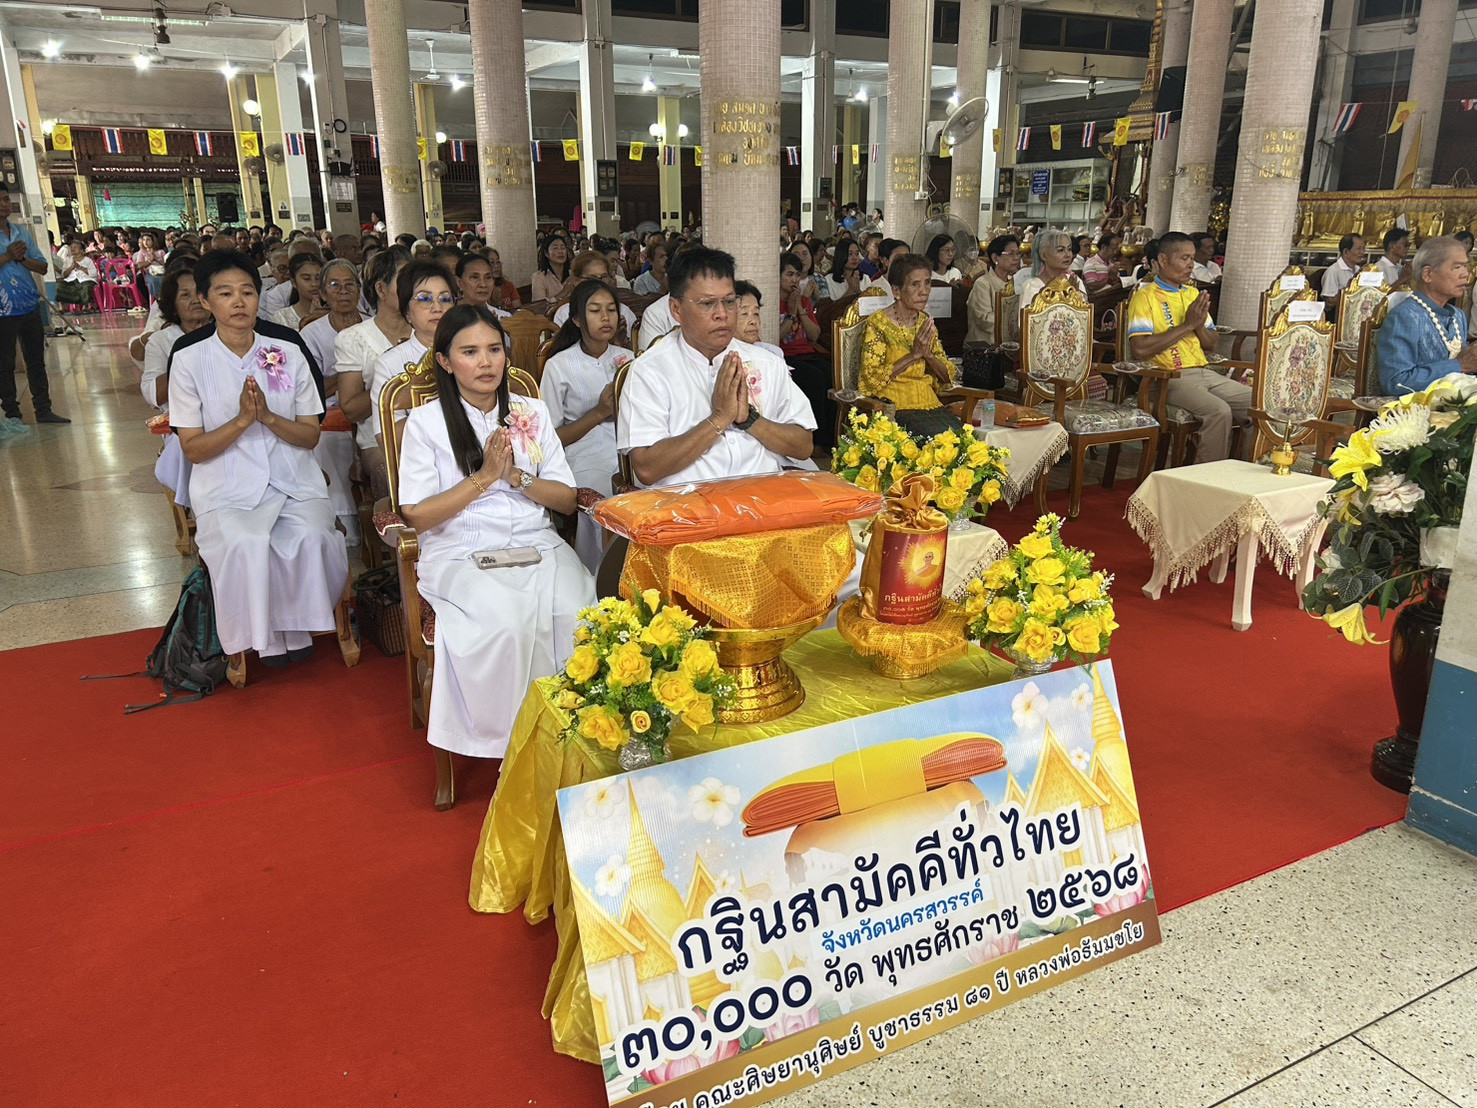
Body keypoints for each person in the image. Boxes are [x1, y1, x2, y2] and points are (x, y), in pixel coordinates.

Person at [396, 304, 594, 759]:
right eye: (469, 352)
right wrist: (484, 478)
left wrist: (515, 477)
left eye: (494, 349)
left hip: (535, 542)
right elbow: (418, 516)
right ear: (445, 361)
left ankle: (575, 737)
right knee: (506, 622)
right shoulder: (425, 424)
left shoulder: (532, 412)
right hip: (460, 548)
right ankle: (511, 745)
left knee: (579, 611)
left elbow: (566, 500)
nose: (486, 362)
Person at [167, 250, 348, 667]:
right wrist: (241, 421)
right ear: (205, 301)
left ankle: (298, 626)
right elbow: (193, 448)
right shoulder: (190, 359)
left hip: (292, 476)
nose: (238, 302)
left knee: (312, 536)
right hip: (225, 484)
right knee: (246, 542)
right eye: (225, 293)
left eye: (247, 292)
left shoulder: (285, 350)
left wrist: (267, 417)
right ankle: (262, 638)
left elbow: (309, 434)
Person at [617, 246, 816, 487]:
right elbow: (646, 469)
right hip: (687, 504)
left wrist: (750, 420)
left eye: (729, 302)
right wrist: (718, 419)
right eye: (707, 303)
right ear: (676, 309)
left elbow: (803, 446)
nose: (722, 314)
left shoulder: (766, 362)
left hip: (763, 497)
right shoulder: (649, 371)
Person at [1126, 232, 1251, 463]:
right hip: (1167, 377)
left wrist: (1198, 325)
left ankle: (1248, 472)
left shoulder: (1193, 294)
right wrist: (1188, 325)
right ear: (1163, 260)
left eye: (1192, 258)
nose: (1191, 265)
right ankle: (1206, 479)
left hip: (1203, 371)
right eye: (1184, 258)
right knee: (1218, 411)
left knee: (1258, 404)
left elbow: (1211, 343)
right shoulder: (1145, 297)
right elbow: (1140, 349)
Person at [540, 280, 632, 573]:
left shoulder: (628, 360)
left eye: (611, 310)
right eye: (595, 310)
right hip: (582, 454)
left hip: (628, 449)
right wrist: (599, 413)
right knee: (604, 502)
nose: (606, 318)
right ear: (578, 319)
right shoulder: (559, 365)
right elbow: (550, 438)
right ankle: (597, 576)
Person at [335, 246, 411, 499]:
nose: (415, 288)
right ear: (381, 289)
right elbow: (351, 409)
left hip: (432, 430)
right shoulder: (353, 339)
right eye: (405, 281)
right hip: (379, 439)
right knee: (394, 473)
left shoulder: (429, 331)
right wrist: (395, 382)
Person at [301, 258, 367, 542]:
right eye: (335, 285)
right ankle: (346, 521)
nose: (343, 291)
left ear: (359, 290)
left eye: (350, 284)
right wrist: (350, 378)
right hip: (330, 410)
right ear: (323, 294)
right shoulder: (311, 334)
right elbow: (311, 389)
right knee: (325, 442)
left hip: (370, 406)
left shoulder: (374, 325)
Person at [858, 253, 956, 435]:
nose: (924, 291)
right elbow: (869, 379)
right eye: (915, 284)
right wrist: (914, 355)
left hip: (929, 401)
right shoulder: (878, 324)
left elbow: (947, 377)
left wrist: (929, 356)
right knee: (939, 441)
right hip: (895, 405)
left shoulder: (925, 322)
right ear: (896, 291)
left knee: (965, 441)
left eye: (927, 283)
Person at [141, 265, 211, 506]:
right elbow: (154, 395)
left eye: (199, 292)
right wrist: (188, 354)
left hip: (231, 414)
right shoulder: (162, 341)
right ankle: (201, 507)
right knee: (189, 447)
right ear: (173, 305)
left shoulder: (228, 332)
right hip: (183, 423)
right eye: (185, 295)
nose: (195, 300)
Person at [368, 261, 455, 454]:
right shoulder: (389, 364)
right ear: (406, 311)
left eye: (445, 298)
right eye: (424, 298)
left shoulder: (474, 352)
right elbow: (387, 436)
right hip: (422, 461)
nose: (437, 307)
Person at [0, 186, 66, 432]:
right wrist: (7, 256)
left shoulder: (22, 233)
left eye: (6, 199)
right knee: (5, 365)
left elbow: (42, 267)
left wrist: (21, 259)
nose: (4, 204)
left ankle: (44, 409)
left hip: (29, 305)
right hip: (2, 310)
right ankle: (12, 413)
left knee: (36, 361)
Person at [1376, 237, 1476, 395]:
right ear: (1428, 274)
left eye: (1466, 266)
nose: (1465, 274)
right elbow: (1396, 383)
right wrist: (1459, 365)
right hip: (1414, 408)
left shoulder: (1458, 316)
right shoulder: (1405, 316)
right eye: (1457, 267)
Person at [779, 253, 835, 446]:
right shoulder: (772, 303)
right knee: (815, 379)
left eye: (797, 275)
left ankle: (831, 438)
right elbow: (775, 339)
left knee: (832, 374)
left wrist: (800, 310)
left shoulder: (804, 302)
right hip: (786, 357)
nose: (794, 280)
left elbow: (814, 335)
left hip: (807, 353)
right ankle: (816, 440)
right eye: (789, 275)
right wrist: (790, 315)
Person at [965, 233, 1022, 345]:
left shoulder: (1015, 283)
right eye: (1011, 253)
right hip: (984, 346)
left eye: (1018, 253)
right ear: (995, 258)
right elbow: (985, 320)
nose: (1016, 258)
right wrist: (1016, 322)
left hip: (1010, 342)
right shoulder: (982, 284)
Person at [1019, 228, 1087, 308]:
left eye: (1069, 249)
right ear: (1044, 256)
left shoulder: (1075, 281)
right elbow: (1027, 315)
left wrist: (1075, 295)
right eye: (1060, 250)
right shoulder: (1031, 286)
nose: (1067, 255)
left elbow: (1085, 313)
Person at [269, 252, 326, 331]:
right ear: (293, 282)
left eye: (318, 278)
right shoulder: (282, 317)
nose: (314, 284)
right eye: (307, 278)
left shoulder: (333, 312)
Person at [734, 280, 783, 360]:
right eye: (744, 313)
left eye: (756, 314)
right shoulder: (720, 359)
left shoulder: (773, 355)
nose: (754, 321)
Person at [55, 234, 98, 310]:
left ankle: (87, 305)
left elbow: (94, 273)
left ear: (81, 250)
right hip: (71, 280)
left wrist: (80, 267)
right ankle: (63, 307)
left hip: (85, 280)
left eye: (75, 247)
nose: (72, 249)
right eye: (71, 247)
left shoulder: (87, 260)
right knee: (59, 285)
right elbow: (64, 274)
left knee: (87, 286)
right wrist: (71, 267)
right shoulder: (68, 260)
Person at [1320, 233, 1366, 304]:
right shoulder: (1333, 271)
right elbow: (1329, 302)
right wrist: (1349, 290)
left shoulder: (1359, 270)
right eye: (1358, 249)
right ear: (1346, 252)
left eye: (1363, 248)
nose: (1362, 252)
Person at [530, 237, 570, 302]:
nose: (560, 252)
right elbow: (539, 305)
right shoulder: (539, 277)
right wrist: (563, 293)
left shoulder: (572, 274)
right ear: (546, 253)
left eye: (563, 248)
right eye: (555, 248)